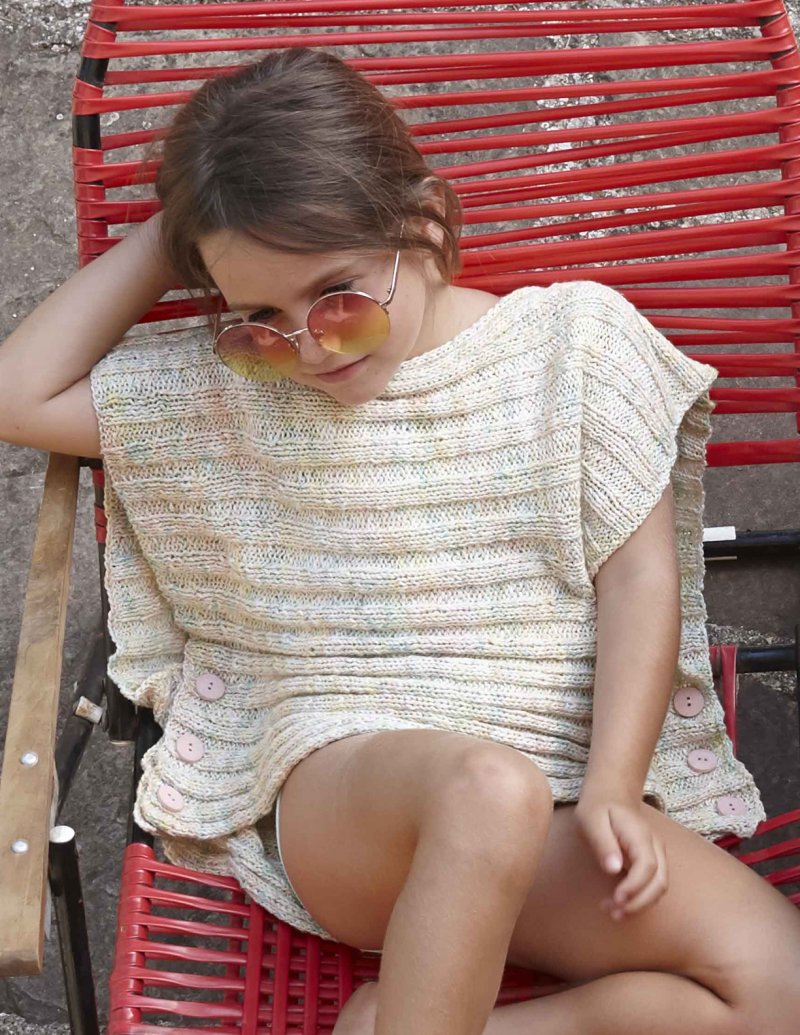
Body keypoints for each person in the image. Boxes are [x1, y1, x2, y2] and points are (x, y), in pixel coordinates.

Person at [1, 44, 799, 1035]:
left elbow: (639, 580)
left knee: (779, 987)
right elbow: (17, 393)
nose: (307, 347)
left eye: (338, 296)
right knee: (485, 787)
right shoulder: (232, 391)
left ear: (422, 225)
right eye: (260, 315)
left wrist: (612, 788)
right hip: (349, 803)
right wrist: (192, 219)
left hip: (552, 797)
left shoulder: (579, 349)